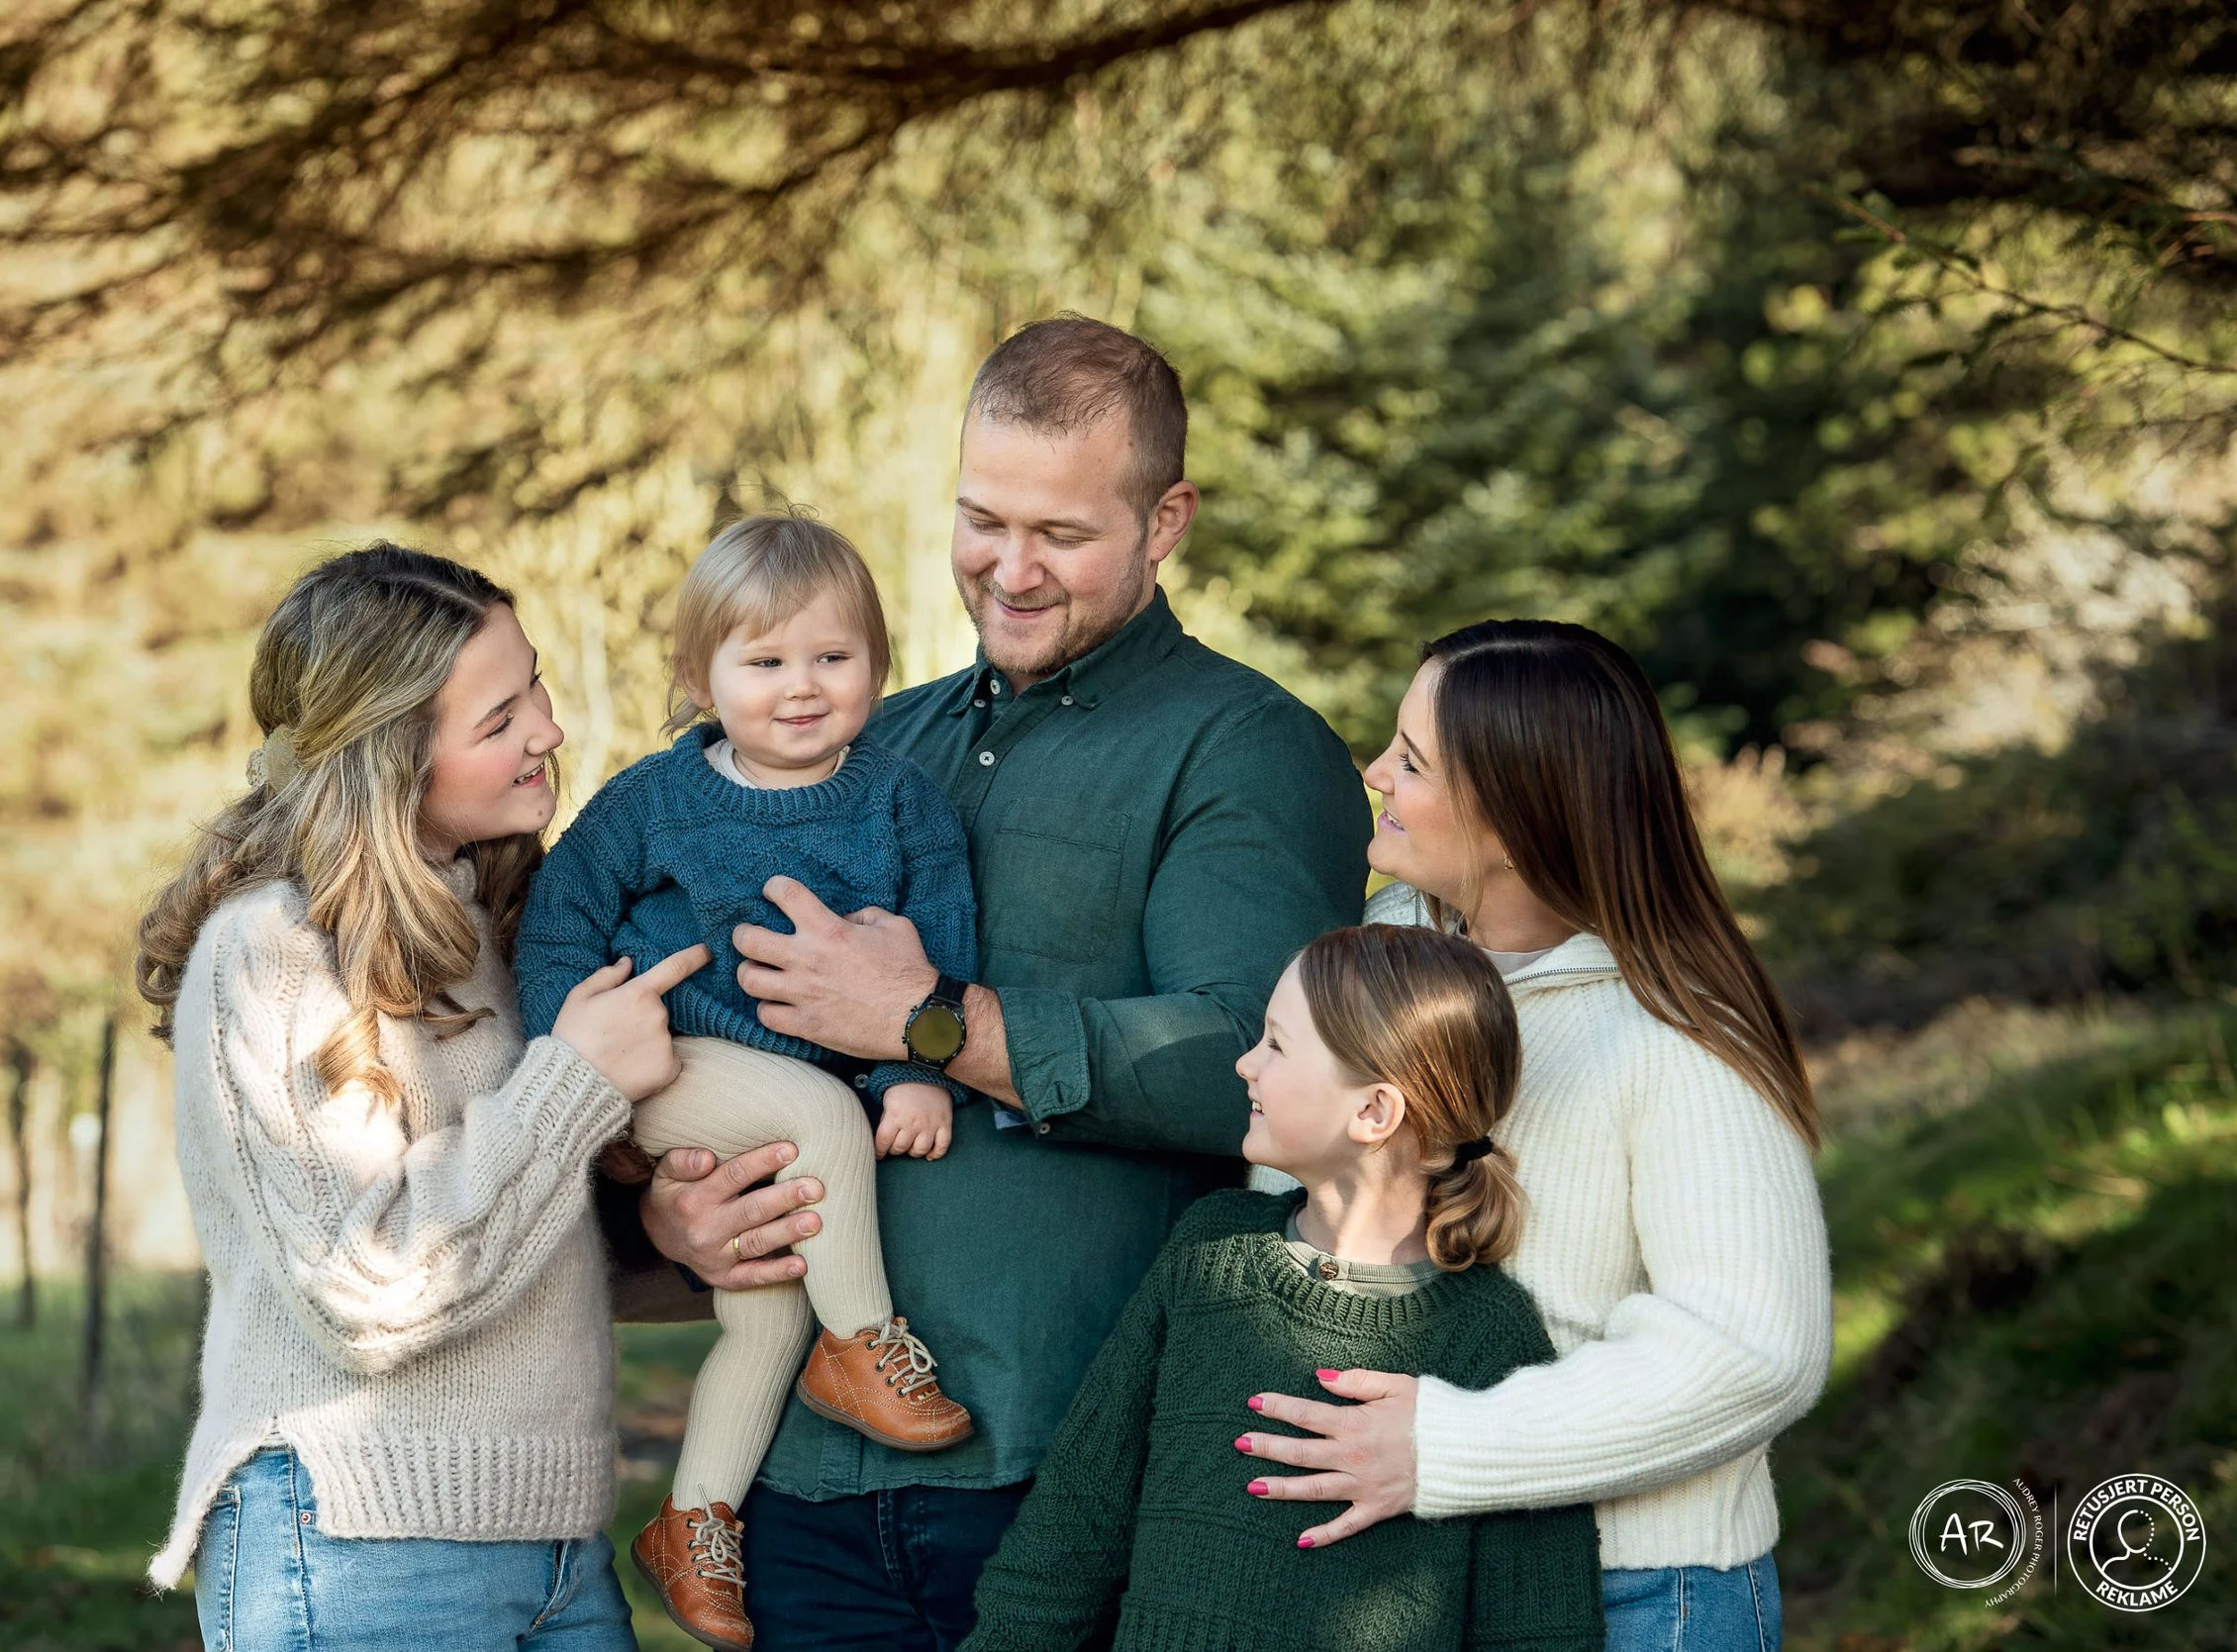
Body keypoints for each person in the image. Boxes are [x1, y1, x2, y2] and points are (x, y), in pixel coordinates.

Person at [625, 316, 1373, 1648]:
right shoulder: (865, 736)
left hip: (1064, 1476)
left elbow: (1259, 1072)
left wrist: (929, 1023)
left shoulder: (1245, 750)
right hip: (802, 1480)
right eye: (981, 520)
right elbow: (683, 1017)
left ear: (1167, 518)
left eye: (1061, 535)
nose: (1009, 570)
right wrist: (674, 1208)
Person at [136, 544, 704, 1651]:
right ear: (389, 761)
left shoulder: (502, 919)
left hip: (557, 1545)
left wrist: (667, 1244)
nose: (546, 727)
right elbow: (372, 1292)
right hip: (352, 1540)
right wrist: (577, 1079)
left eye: (532, 682)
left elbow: (498, 1245)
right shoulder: (273, 956)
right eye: (497, 721)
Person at [1237, 621, 1833, 1652]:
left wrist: (1447, 1445)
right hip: (1418, 1587)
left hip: (1635, 1597)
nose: (1373, 772)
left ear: (1513, 814)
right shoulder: (1386, 962)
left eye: (1411, 760)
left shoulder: (1679, 1042)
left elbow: (1751, 1352)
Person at [516, 515, 980, 1650]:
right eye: (764, 663)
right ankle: (863, 1338)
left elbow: (942, 940)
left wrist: (927, 1075)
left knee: (763, 1313)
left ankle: (694, 1522)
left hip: (786, 1093)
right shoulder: (656, 800)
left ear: (878, 659)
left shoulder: (900, 798)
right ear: (700, 677)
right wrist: (577, 1052)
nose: (802, 688)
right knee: (818, 1113)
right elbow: (558, 918)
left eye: (834, 657)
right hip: (664, 1060)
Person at [961, 924, 1605, 1652]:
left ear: (1373, 1111)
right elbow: (1075, 1522)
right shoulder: (1212, 1253)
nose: (1245, 1063)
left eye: (1275, 1043)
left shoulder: (1492, 1333)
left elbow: (1542, 1627)